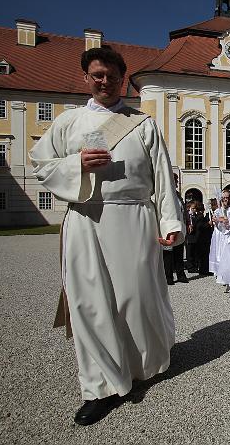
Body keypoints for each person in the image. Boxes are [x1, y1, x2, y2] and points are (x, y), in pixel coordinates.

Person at [30, 46, 183, 425]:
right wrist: (74, 164)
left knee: (136, 299)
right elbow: (40, 163)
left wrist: (171, 222)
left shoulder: (142, 123)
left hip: (134, 218)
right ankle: (100, 386)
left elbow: (161, 175)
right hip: (85, 218)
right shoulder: (69, 122)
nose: (104, 81)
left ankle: (141, 366)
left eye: (112, 76)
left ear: (121, 78)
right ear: (86, 77)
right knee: (89, 304)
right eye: (97, 75)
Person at [163, 173, 189, 284]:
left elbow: (183, 210)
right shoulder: (164, 193)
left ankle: (181, 274)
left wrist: (187, 222)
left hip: (180, 226)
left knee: (179, 251)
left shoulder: (178, 195)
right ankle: (168, 276)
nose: (177, 183)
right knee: (168, 253)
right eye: (175, 180)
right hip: (169, 226)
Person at [209, 191, 230, 286]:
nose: (225, 199)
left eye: (227, 197)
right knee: (220, 254)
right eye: (224, 198)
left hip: (228, 234)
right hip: (220, 235)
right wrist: (217, 221)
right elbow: (216, 224)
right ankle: (221, 274)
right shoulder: (218, 211)